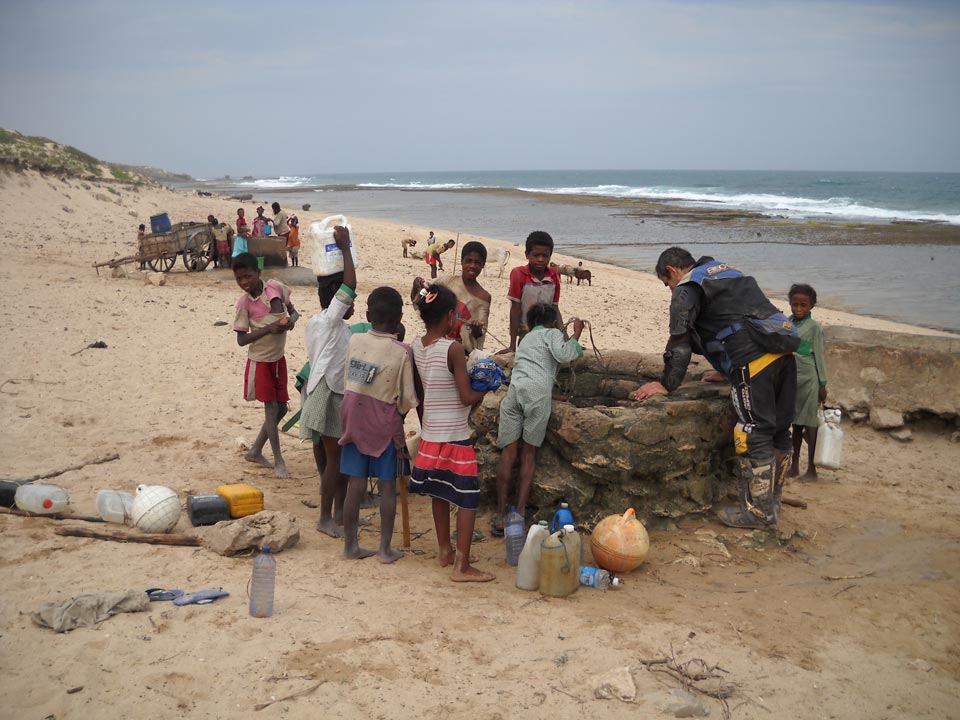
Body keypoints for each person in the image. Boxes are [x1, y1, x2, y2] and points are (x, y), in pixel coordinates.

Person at [630, 248, 799, 529]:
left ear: (672, 271)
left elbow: (680, 345)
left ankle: (758, 514)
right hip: (782, 353)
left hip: (752, 363)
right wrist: (724, 369)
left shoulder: (686, 288)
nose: (669, 290)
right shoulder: (723, 270)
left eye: (665, 283)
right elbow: (734, 318)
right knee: (780, 431)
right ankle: (772, 501)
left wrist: (666, 384)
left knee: (752, 433)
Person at [410, 284, 495, 582]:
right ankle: (462, 565)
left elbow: (426, 389)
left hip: (431, 435)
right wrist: (485, 389)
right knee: (468, 498)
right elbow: (465, 397)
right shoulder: (453, 349)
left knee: (439, 493)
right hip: (455, 435)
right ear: (449, 316)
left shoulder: (417, 345)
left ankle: (444, 550)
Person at [339, 287, 419, 562]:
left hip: (352, 416)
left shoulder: (355, 338)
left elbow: (347, 376)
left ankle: (350, 545)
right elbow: (407, 398)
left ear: (367, 314)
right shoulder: (402, 351)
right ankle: (384, 549)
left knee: (356, 483)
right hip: (383, 422)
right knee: (387, 487)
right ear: (399, 319)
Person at [493, 303, 584, 535]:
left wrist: (553, 394)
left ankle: (500, 515)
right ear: (554, 322)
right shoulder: (553, 333)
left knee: (508, 453)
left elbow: (532, 368)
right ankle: (520, 513)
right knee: (528, 454)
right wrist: (576, 334)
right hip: (536, 396)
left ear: (531, 323)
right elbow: (564, 355)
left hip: (515, 393)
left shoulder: (525, 340)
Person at [301, 226, 356, 537]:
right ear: (339, 301)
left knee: (336, 460)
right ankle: (325, 517)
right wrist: (345, 247)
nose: (354, 303)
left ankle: (339, 513)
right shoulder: (331, 320)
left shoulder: (321, 324)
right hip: (328, 393)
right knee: (335, 461)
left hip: (327, 392)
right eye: (351, 300)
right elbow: (349, 284)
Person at [232, 252, 299, 479]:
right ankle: (279, 460)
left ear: (258, 273)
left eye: (248, 277)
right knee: (271, 410)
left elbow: (294, 312)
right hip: (260, 362)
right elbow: (241, 340)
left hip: (278, 359)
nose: (244, 282)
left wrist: (290, 323)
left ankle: (255, 450)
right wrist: (267, 329)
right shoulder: (244, 304)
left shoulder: (275, 288)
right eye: (239, 279)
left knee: (280, 409)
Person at [411, 240, 491, 353]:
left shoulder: (483, 297)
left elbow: (480, 334)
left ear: (483, 265)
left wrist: (476, 329)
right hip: (436, 347)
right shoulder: (446, 281)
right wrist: (417, 286)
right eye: (468, 261)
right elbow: (421, 297)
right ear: (462, 261)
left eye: (477, 262)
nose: (472, 266)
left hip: (463, 353)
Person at [787, 283, 828, 482]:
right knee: (795, 425)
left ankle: (811, 469)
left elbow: (819, 356)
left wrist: (823, 383)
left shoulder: (814, 328)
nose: (799, 309)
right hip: (792, 380)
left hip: (810, 381)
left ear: (811, 306)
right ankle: (794, 465)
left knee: (810, 424)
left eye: (803, 305)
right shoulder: (787, 323)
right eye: (795, 305)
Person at [501, 231, 562, 353]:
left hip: (548, 334)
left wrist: (565, 340)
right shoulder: (519, 274)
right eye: (536, 255)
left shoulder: (553, 276)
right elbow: (515, 309)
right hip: (526, 333)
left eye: (545, 256)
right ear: (527, 255)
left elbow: (555, 308)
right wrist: (512, 345)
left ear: (550, 256)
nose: (540, 259)